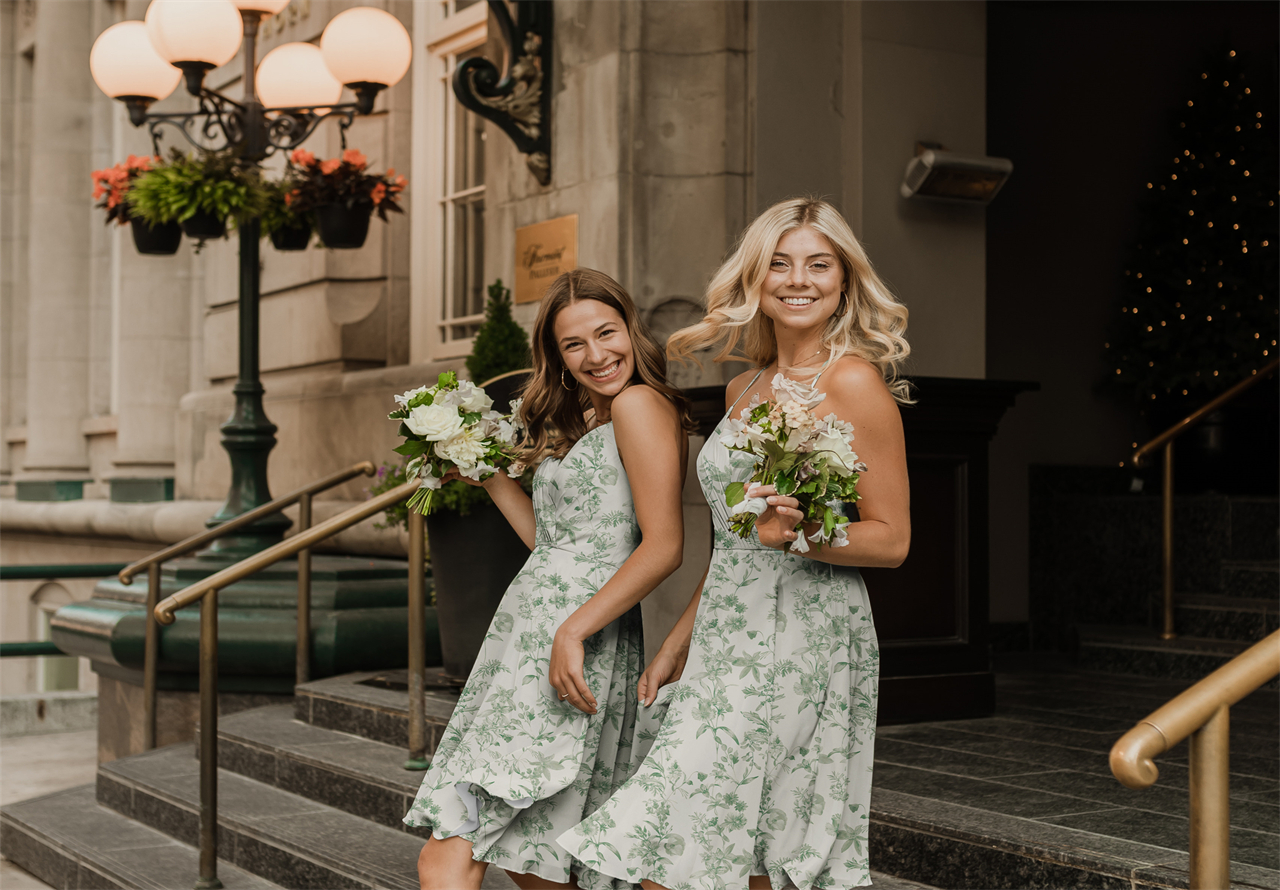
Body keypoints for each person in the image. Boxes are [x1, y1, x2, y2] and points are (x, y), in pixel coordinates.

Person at [557, 198, 913, 890]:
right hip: (728, 632)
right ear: (755, 279)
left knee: (691, 841)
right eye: (778, 263)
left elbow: (893, 539)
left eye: (818, 263)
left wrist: (806, 536)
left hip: (805, 637)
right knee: (736, 847)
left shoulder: (852, 381)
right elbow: (733, 543)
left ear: (843, 280)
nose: (798, 279)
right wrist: (677, 642)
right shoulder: (743, 388)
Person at [406, 268, 695, 890]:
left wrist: (572, 632)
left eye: (607, 333)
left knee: (454, 847)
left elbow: (664, 545)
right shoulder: (590, 418)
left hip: (576, 636)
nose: (597, 355)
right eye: (574, 344)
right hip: (531, 633)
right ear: (557, 358)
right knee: (533, 856)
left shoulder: (641, 405)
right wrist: (484, 470)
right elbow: (554, 543)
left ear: (631, 330)